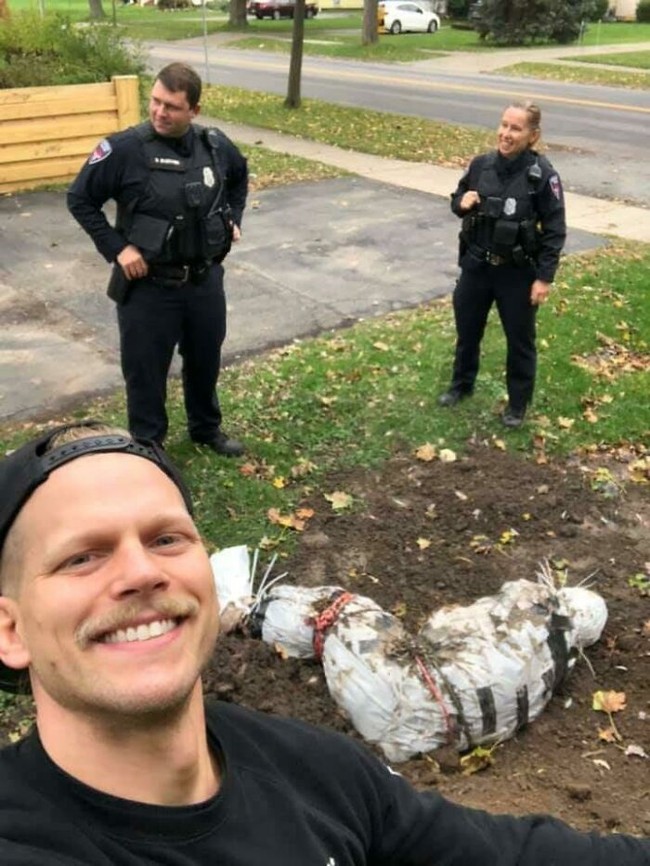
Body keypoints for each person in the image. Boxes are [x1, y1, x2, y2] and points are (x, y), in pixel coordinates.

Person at [0, 422, 648, 865]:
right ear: (10, 629)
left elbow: (501, 854)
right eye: (83, 557)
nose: (142, 572)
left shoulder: (310, 768)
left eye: (167, 538)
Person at [67, 63, 248, 455]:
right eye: (155, 101)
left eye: (172, 106)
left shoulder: (214, 145)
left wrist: (233, 218)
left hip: (203, 280)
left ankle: (205, 429)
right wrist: (119, 248)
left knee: (205, 359)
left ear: (194, 111)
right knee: (145, 371)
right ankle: (148, 445)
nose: (159, 112)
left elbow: (239, 174)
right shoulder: (123, 149)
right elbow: (80, 199)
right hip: (148, 287)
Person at [438, 100, 566, 429]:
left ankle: (518, 405)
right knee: (468, 332)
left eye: (515, 128)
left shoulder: (543, 177)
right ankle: (461, 386)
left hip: (517, 274)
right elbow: (458, 197)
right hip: (477, 267)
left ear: (532, 136)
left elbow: (554, 231)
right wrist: (460, 203)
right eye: (503, 125)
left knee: (520, 342)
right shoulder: (481, 165)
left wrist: (544, 278)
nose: (506, 134)